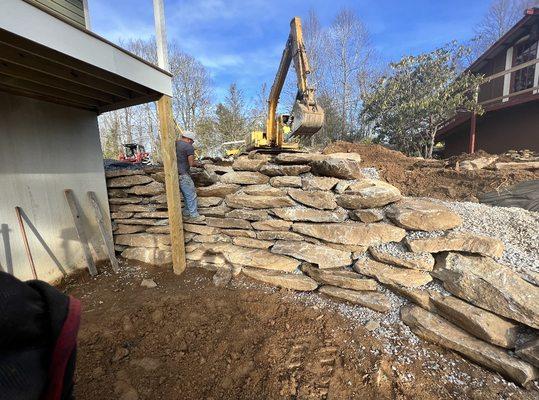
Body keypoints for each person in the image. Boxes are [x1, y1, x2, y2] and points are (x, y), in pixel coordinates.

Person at [175, 131, 205, 223]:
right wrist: (199, 164)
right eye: (192, 141)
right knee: (191, 195)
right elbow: (191, 163)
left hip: (175, 175)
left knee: (186, 195)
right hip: (184, 175)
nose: (192, 143)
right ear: (188, 139)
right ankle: (194, 215)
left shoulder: (175, 144)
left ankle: (186, 213)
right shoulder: (188, 147)